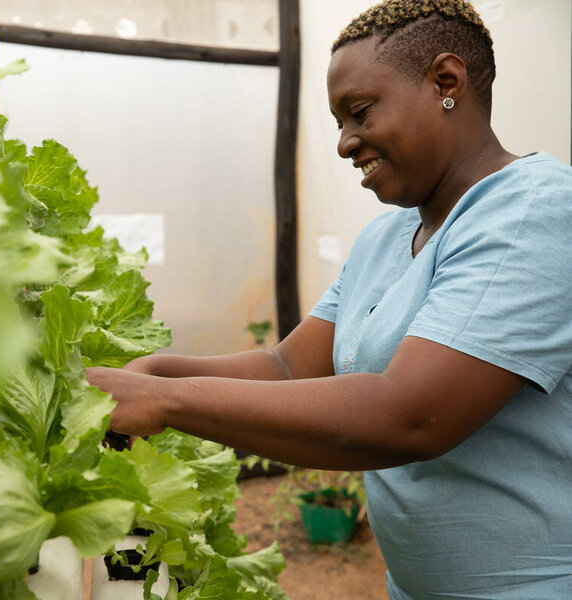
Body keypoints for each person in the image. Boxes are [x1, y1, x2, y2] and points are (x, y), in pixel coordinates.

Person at [86, 1, 572, 598]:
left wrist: (166, 400)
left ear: (447, 82)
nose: (344, 144)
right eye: (339, 121)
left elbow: (411, 415)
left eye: (359, 113)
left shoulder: (535, 214)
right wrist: (158, 370)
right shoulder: (387, 236)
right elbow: (286, 368)